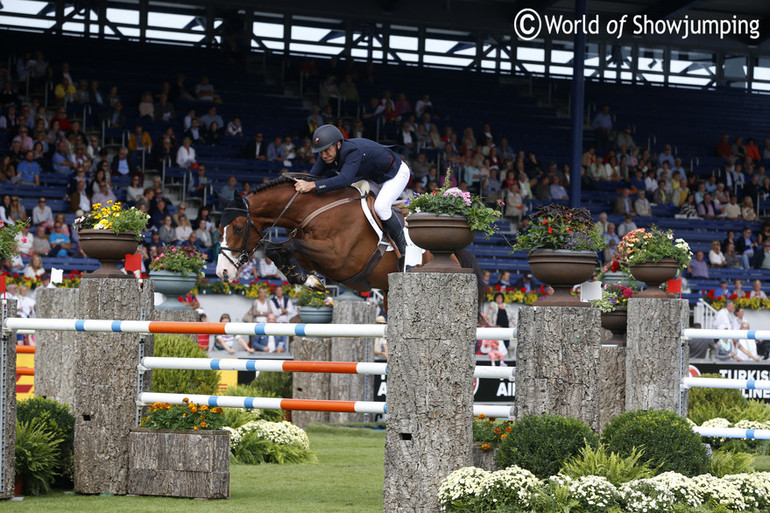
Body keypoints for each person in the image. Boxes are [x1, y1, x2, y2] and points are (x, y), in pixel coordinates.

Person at [295, 124, 410, 270]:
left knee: (381, 207)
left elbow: (344, 180)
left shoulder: (352, 151)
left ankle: (404, 250)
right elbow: (311, 178)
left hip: (395, 174)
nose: (324, 155)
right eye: (320, 152)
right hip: (373, 178)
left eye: (327, 150)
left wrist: (313, 186)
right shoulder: (325, 157)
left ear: (338, 144)